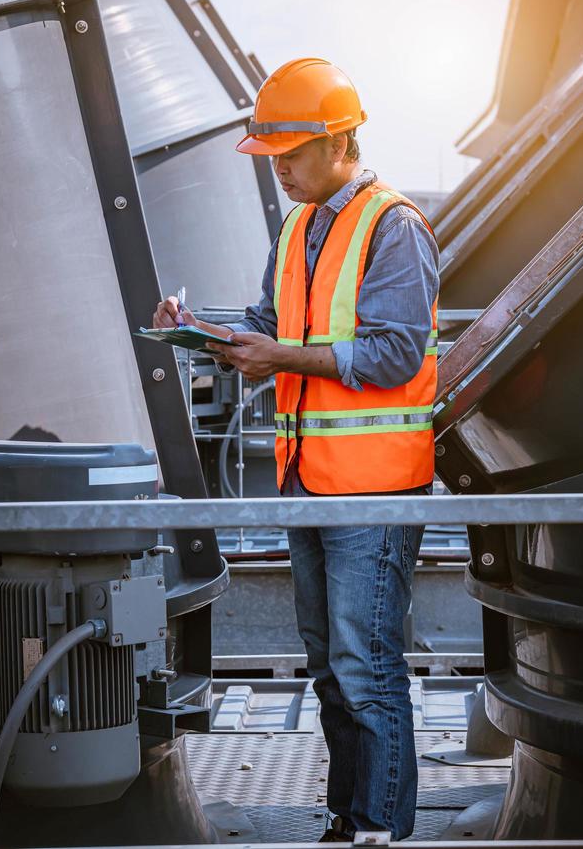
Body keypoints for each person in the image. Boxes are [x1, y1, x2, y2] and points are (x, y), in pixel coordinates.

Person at [150, 58, 438, 841]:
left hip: (374, 493)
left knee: (365, 668)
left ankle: (379, 828)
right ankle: (349, 822)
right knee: (329, 669)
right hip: (309, 485)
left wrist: (277, 359)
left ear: (339, 142)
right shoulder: (301, 226)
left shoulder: (394, 227)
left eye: (292, 151)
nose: (279, 166)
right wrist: (199, 329)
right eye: (270, 154)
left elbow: (394, 355)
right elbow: (271, 327)